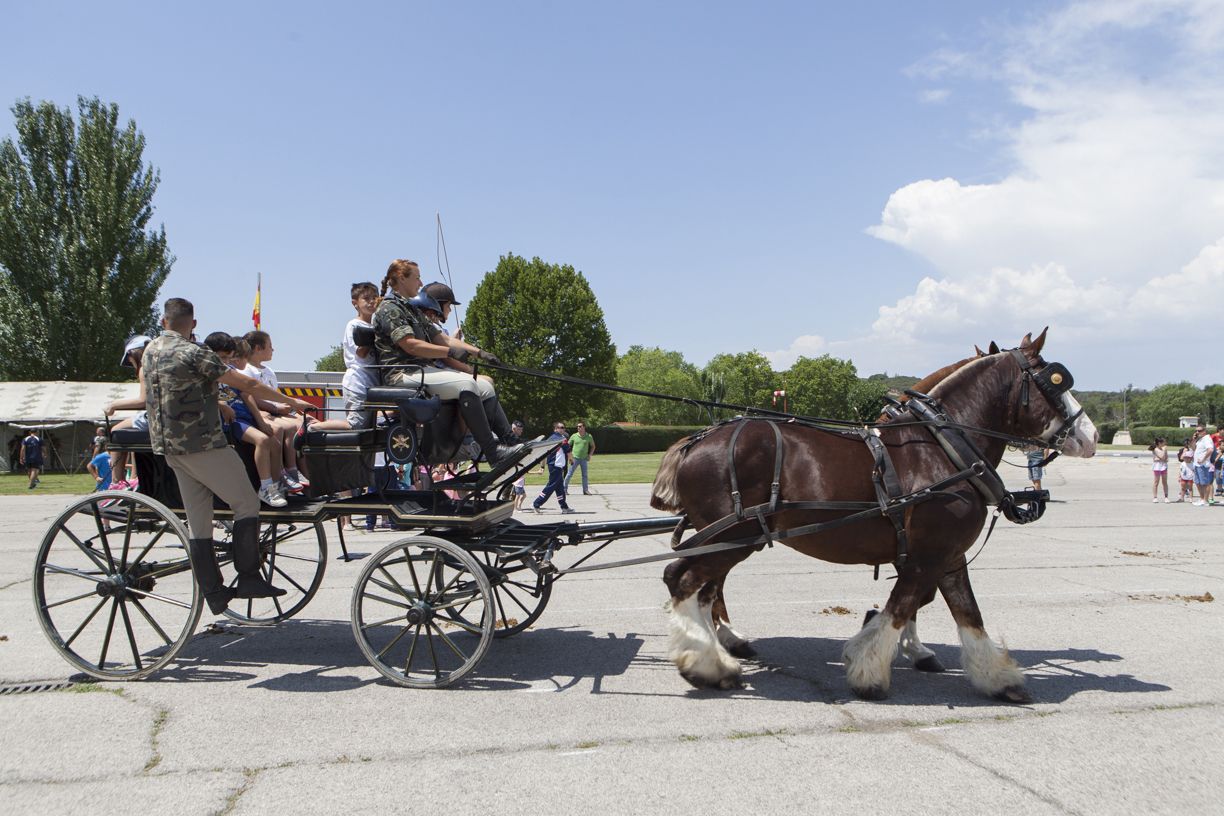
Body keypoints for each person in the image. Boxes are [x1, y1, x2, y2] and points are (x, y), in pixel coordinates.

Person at [143, 297, 314, 614]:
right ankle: (248, 576)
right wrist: (290, 401)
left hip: (168, 448)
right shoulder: (193, 352)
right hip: (202, 445)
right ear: (192, 324)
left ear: (164, 322)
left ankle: (214, 592)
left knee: (199, 523)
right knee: (247, 503)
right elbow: (245, 382)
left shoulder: (150, 351)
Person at [372, 259, 521, 466]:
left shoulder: (411, 308)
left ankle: (509, 440)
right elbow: (411, 345)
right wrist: (449, 351)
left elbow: (441, 338)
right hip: (402, 374)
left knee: (484, 386)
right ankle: (492, 451)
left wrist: (480, 352)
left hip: (421, 371)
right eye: (416, 278)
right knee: (467, 385)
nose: (420, 282)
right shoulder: (390, 308)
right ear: (401, 279)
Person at [204, 332, 289, 507]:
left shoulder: (230, 372)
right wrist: (221, 404)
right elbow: (202, 396)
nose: (227, 362)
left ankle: (275, 485)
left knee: (274, 444)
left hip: (244, 417)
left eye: (229, 358)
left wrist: (260, 420)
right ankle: (265, 487)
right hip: (231, 421)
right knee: (263, 440)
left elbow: (247, 394)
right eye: (223, 357)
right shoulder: (206, 372)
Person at [243, 330, 309, 491]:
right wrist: (277, 408)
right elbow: (252, 396)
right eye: (270, 346)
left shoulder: (269, 372)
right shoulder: (247, 371)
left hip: (277, 411)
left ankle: (304, 473)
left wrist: (291, 407)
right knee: (286, 427)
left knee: (305, 424)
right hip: (265, 414)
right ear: (258, 348)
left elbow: (275, 394)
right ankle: (286, 472)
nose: (273, 350)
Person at [312, 282, 380, 431]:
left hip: (373, 384)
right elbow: (361, 353)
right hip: (358, 382)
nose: (371, 302)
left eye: (375, 297)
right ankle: (312, 428)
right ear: (355, 303)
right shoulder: (354, 325)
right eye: (366, 298)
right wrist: (374, 336)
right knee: (355, 424)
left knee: (369, 429)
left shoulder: (375, 324)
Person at [104, 334, 154, 489]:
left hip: (155, 417)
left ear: (133, 354)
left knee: (116, 431)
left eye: (130, 360)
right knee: (132, 431)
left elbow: (143, 401)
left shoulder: (144, 367)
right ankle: (134, 477)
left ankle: (116, 482)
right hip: (163, 414)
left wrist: (114, 405)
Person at [530, 421, 574, 514]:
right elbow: (568, 451)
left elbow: (545, 454)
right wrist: (572, 460)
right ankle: (536, 504)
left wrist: (542, 466)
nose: (563, 429)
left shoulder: (551, 438)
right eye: (561, 427)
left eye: (564, 427)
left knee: (560, 488)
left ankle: (564, 507)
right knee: (551, 486)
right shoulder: (561, 439)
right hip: (556, 466)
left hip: (555, 466)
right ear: (555, 429)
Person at [564, 421, 597, 495]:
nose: (578, 428)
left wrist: (590, 455)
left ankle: (585, 490)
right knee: (569, 474)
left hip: (584, 459)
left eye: (580, 426)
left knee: (584, 475)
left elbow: (593, 446)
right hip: (574, 458)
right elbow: (567, 446)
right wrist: (570, 456)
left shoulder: (589, 436)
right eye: (578, 426)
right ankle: (564, 489)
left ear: (584, 427)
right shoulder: (574, 436)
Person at [1192, 426, 1215, 506]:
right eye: (1196, 431)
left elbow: (1210, 450)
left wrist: (1203, 459)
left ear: (1204, 431)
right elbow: (1194, 448)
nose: (1197, 432)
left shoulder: (1207, 439)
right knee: (1198, 482)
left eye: (1199, 430)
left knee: (1205, 483)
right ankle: (1202, 499)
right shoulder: (1200, 439)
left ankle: (1205, 500)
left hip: (1203, 465)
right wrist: (1194, 439)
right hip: (1196, 464)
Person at [508, 420, 527, 510]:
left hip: (515, 465)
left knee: (511, 487)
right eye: (519, 429)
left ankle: (510, 504)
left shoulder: (515, 438)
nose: (521, 431)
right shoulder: (510, 437)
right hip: (509, 465)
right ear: (514, 429)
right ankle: (508, 504)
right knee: (508, 485)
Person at [1150, 437, 1169, 503]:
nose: (1165, 443)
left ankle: (1166, 497)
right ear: (1159, 443)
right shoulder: (1155, 449)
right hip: (1157, 466)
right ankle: (1155, 497)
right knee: (1156, 482)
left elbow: (1166, 458)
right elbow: (1162, 457)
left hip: (1164, 466)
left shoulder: (1164, 449)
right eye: (1163, 442)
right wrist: (1164, 451)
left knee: (1164, 482)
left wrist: (1164, 457)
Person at [1177, 438, 1194, 502]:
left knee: (1190, 488)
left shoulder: (1192, 464)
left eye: (1188, 458)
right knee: (1183, 488)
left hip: (1190, 477)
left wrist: (1194, 477)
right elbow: (1180, 470)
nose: (1186, 459)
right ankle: (1182, 498)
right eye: (1185, 458)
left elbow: (1194, 470)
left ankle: (1191, 498)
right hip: (1183, 477)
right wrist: (1179, 476)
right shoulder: (1183, 463)